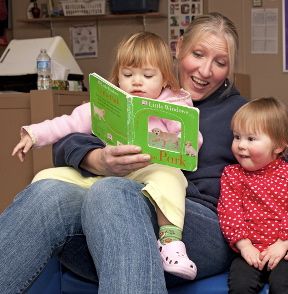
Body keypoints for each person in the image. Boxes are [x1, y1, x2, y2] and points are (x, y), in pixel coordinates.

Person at [0, 12, 288, 294]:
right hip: (111, 226)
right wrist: (97, 160)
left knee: (113, 191)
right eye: (198, 55)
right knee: (48, 191)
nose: (206, 71)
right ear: (178, 50)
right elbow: (69, 137)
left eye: (220, 62)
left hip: (201, 231)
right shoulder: (136, 96)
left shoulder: (243, 117)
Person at [11, 31, 202, 280]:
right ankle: (28, 224)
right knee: (47, 176)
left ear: (165, 79)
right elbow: (68, 124)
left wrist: (181, 140)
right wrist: (33, 135)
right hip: (107, 172)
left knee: (171, 177)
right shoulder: (107, 103)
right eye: (128, 74)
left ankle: (170, 242)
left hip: (148, 171)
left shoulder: (173, 105)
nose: (137, 82)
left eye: (147, 75)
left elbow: (192, 139)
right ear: (117, 76)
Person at [217, 97, 288, 293]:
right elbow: (230, 211)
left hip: (286, 251)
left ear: (279, 146)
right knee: (240, 286)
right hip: (249, 251)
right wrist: (244, 246)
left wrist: (283, 243)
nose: (241, 145)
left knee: (283, 285)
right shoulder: (232, 174)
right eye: (237, 137)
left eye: (251, 139)